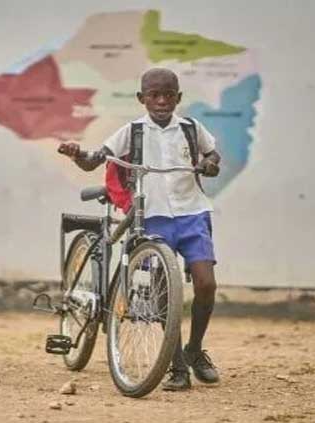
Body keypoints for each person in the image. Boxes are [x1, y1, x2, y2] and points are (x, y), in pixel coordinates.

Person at [57, 68, 221, 391]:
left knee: (206, 283)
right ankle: (176, 367)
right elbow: (94, 160)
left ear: (179, 97)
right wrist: (78, 155)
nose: (161, 101)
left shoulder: (190, 128)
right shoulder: (131, 132)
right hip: (154, 217)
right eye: (153, 95)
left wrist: (211, 164)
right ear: (141, 98)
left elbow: (212, 153)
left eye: (168, 95)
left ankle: (194, 350)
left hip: (192, 212)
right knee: (165, 289)